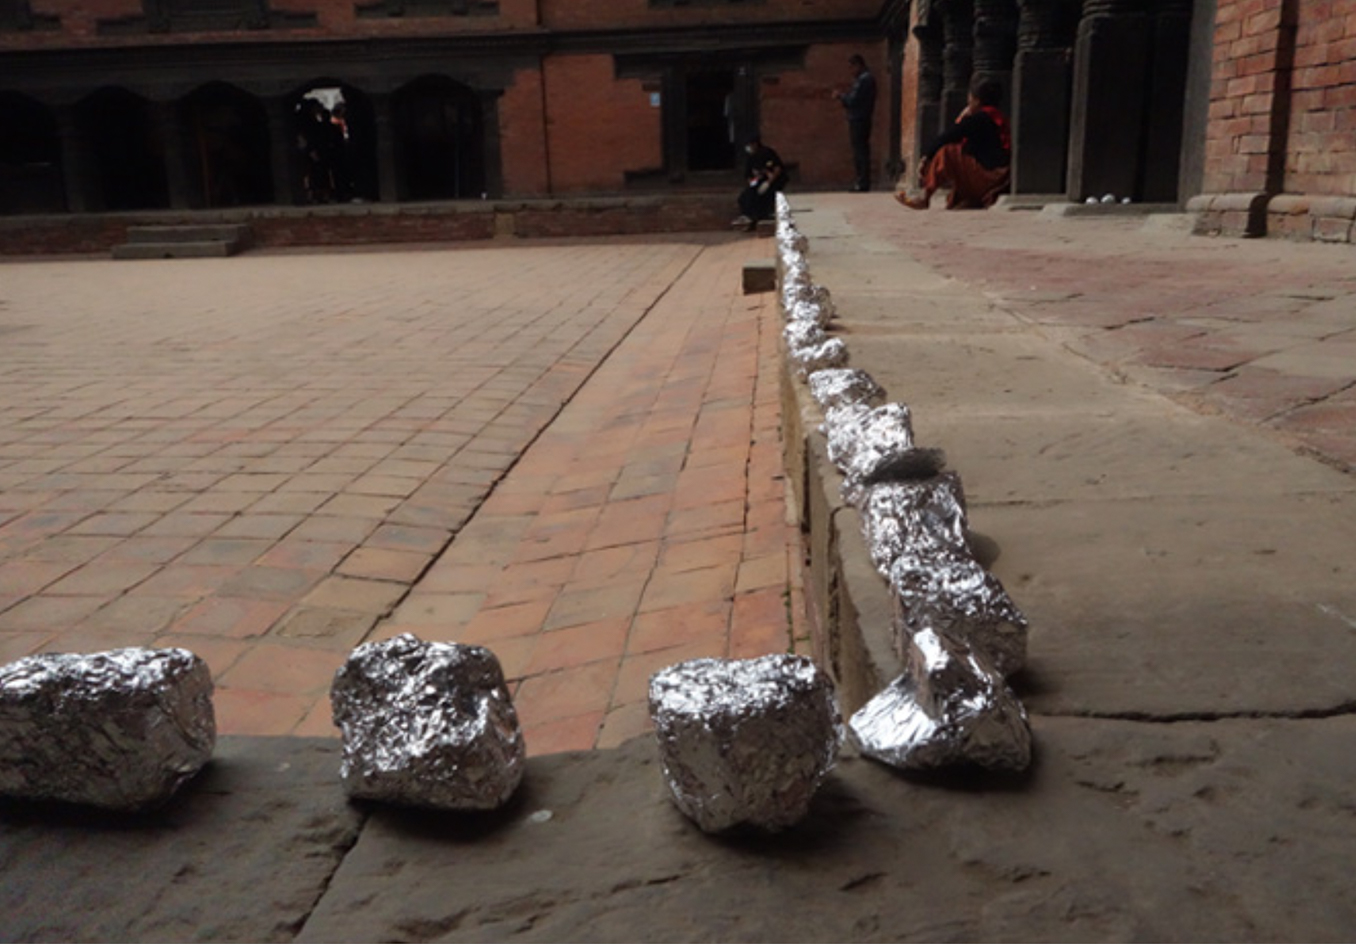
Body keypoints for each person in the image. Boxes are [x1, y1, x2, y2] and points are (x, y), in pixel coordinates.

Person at [896, 76, 1011, 210]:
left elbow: (950, 136)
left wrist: (927, 157)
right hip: (999, 175)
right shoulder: (996, 117)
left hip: (991, 176)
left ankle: (925, 195)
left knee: (948, 152)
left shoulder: (980, 118)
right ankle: (969, 198)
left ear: (977, 100)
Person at [834, 54, 877, 192]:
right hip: (862, 118)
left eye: (852, 67)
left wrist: (841, 96)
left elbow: (853, 100)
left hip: (859, 119)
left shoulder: (864, 80)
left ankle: (862, 182)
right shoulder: (866, 79)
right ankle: (862, 181)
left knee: (860, 152)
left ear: (858, 65)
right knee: (861, 150)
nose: (851, 71)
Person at [731, 137, 787, 231]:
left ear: (755, 144)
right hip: (758, 182)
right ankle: (747, 216)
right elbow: (749, 176)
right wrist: (752, 184)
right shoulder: (751, 157)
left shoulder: (767, 153)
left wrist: (768, 183)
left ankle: (764, 216)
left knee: (764, 196)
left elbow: (777, 169)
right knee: (745, 196)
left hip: (773, 181)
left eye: (750, 145)